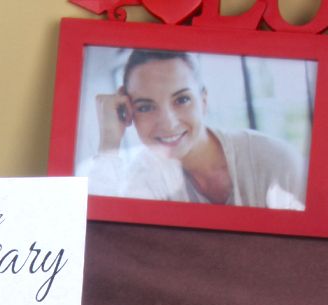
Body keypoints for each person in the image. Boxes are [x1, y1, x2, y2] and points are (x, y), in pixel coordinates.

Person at [87, 49, 307, 210]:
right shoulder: (144, 176)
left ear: (203, 100)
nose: (168, 123)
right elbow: (98, 234)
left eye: (182, 99)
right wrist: (109, 142)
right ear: (128, 114)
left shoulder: (275, 160)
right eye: (145, 107)